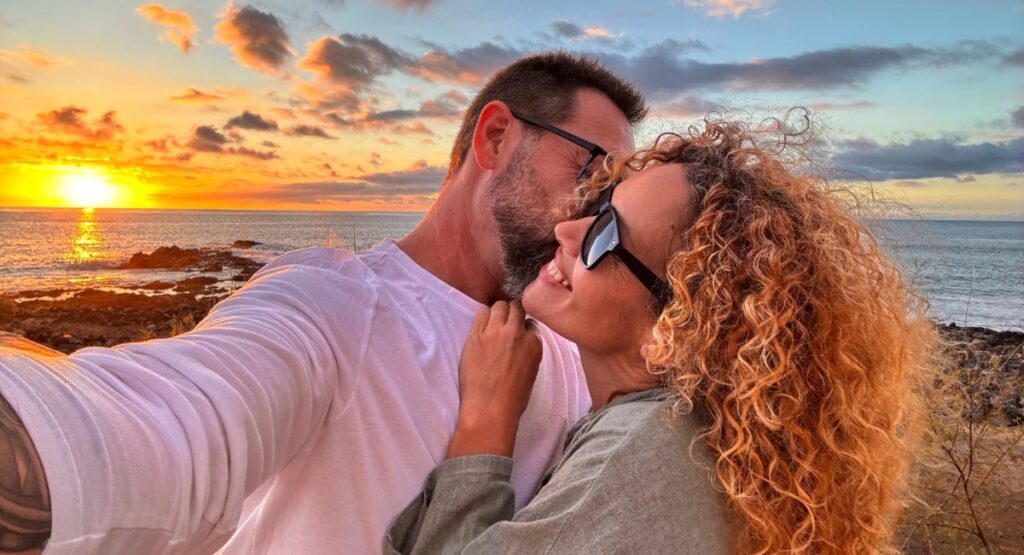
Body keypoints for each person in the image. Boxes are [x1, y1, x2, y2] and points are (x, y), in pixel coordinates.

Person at [0, 52, 646, 553]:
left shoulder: (573, 347)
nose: (596, 217)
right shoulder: (336, 306)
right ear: (496, 137)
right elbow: (174, 429)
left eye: (613, 198)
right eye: (590, 173)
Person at [385, 115, 935, 553]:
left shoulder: (641, 452)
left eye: (604, 236)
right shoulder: (717, 445)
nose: (566, 228)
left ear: (669, 333)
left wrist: (487, 418)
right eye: (599, 204)